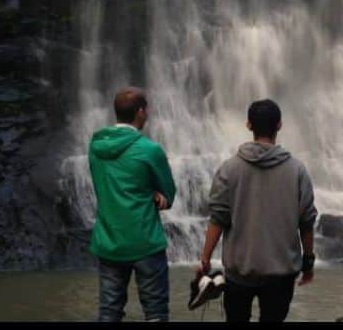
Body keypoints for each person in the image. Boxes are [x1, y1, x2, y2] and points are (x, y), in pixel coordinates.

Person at [197, 99, 318, 323]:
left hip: (239, 272)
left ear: (248, 125)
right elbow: (307, 221)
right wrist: (308, 262)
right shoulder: (297, 170)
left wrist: (205, 258)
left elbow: (218, 218)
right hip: (281, 274)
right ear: (279, 125)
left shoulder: (229, 169)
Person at [88, 87, 177, 322]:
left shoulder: (95, 147)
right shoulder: (150, 149)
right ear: (140, 112)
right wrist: (157, 194)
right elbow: (169, 194)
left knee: (109, 311)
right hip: (145, 241)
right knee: (155, 313)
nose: (147, 115)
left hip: (109, 241)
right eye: (146, 110)